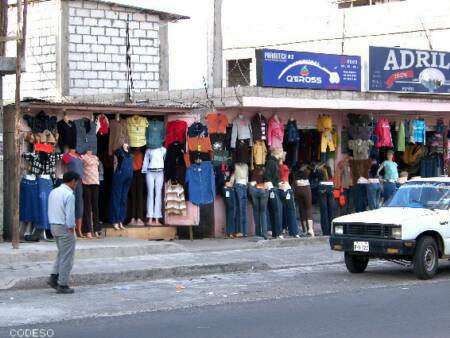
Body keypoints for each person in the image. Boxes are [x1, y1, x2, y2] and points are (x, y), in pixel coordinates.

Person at [47, 171, 79, 294]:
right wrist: (71, 227)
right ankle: (63, 284)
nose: (76, 184)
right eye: (76, 182)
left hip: (53, 225)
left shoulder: (54, 191)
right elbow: (70, 214)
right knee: (67, 257)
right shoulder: (69, 194)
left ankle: (54, 277)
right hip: (65, 227)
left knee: (61, 254)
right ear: (73, 181)